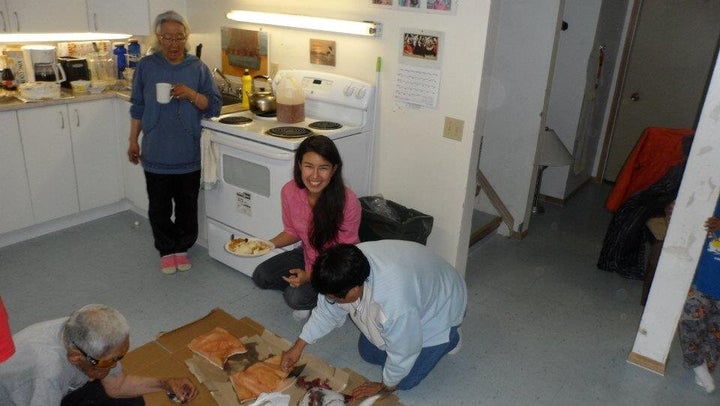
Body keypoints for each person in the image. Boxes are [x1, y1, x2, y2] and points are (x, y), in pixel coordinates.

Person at [280, 241, 467, 398]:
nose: (331, 300)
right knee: (368, 352)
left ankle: (451, 337)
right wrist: (297, 348)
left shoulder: (394, 302)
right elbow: (326, 312)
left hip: (443, 307)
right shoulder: (345, 267)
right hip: (418, 285)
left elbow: (404, 349)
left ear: (355, 289)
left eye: (335, 297)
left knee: (405, 381)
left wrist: (386, 386)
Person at [127, 10, 222, 275]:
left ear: (186, 37)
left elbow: (213, 107)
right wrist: (133, 140)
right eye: (167, 37)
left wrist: (191, 94)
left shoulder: (197, 68)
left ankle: (182, 247)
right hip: (155, 153)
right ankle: (167, 249)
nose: (172, 43)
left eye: (178, 37)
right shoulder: (147, 66)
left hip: (188, 155)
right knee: (158, 208)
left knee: (186, 208)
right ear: (158, 37)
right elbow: (138, 106)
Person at [252, 135, 361, 321]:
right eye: (308, 166)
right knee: (261, 276)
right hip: (307, 253)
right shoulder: (289, 191)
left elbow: (343, 256)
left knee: (294, 298)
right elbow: (292, 232)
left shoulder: (349, 202)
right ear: (299, 166)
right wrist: (265, 245)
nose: (315, 176)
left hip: (336, 265)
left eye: (323, 168)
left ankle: (328, 299)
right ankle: (319, 295)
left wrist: (309, 276)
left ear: (334, 169)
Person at [0, 304, 198, 405]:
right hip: (24, 398)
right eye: (109, 363)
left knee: (130, 402)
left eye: (119, 358)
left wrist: (165, 384)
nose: (114, 366)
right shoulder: (46, 375)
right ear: (76, 357)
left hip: (59, 389)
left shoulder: (87, 332)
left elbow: (118, 387)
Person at [680, 198, 720, 394]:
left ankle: (705, 366)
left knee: (715, 334)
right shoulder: (713, 197)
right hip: (703, 280)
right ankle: (697, 364)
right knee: (690, 323)